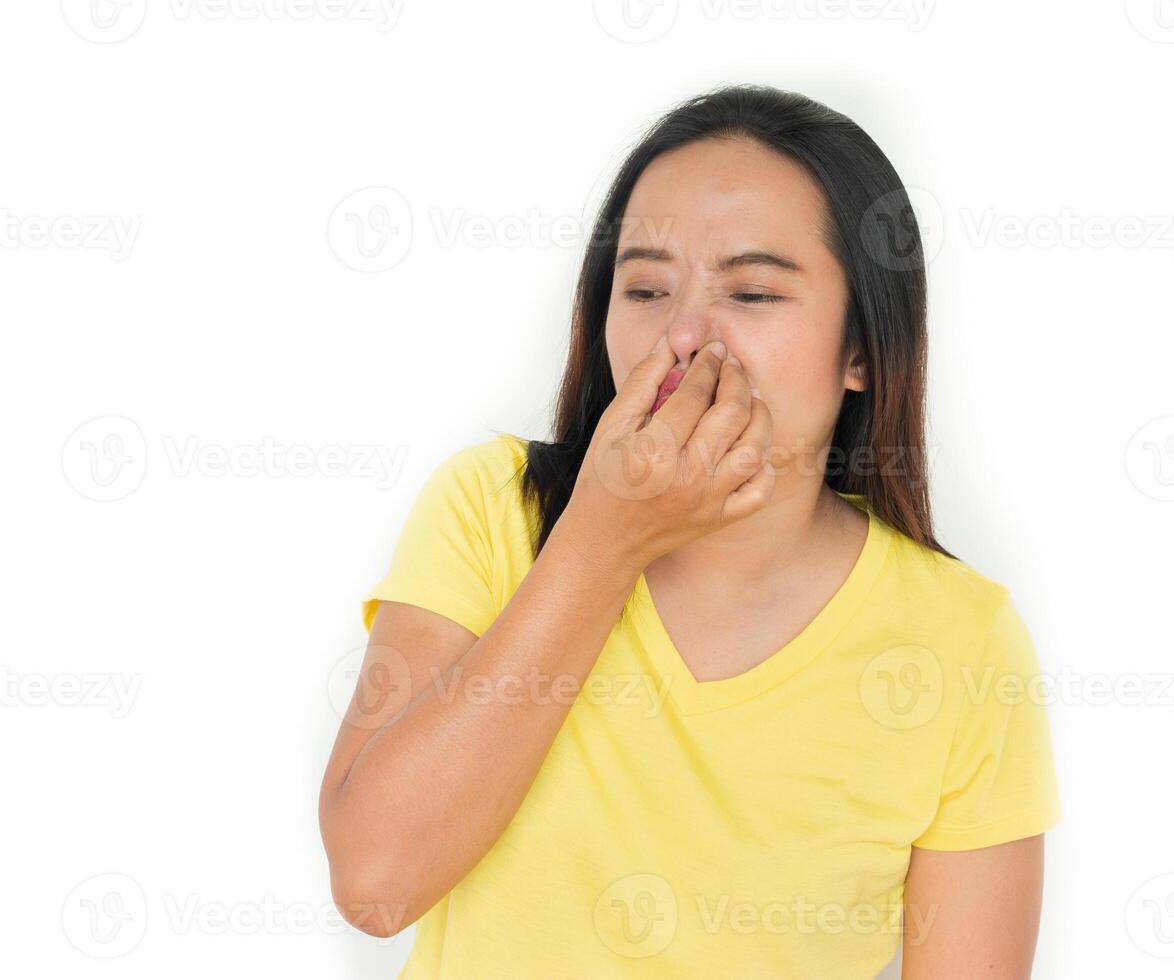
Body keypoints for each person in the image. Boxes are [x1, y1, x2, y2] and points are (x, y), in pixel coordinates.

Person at [319, 83, 1060, 978]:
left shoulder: (962, 636)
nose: (684, 337)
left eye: (751, 292)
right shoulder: (491, 508)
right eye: (645, 287)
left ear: (861, 348)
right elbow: (374, 886)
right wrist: (604, 539)